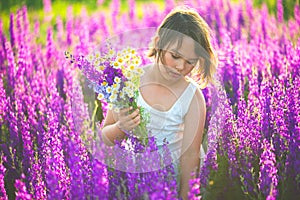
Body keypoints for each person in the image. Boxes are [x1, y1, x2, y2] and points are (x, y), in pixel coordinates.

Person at [101, 6, 217, 200]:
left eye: (190, 61)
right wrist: (120, 127)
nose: (181, 66)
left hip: (172, 180)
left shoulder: (193, 98)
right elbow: (105, 137)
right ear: (158, 43)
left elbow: (190, 157)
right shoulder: (130, 83)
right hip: (133, 176)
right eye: (175, 56)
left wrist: (185, 196)